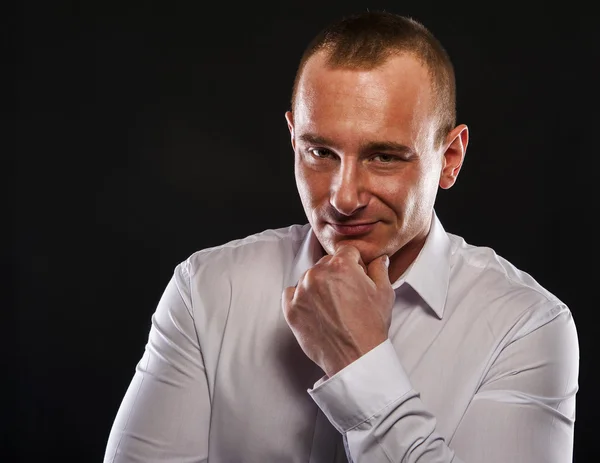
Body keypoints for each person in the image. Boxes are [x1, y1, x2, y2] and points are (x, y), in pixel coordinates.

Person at [103, 11, 579, 463]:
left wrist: (360, 363)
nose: (343, 197)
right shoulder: (206, 289)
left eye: (384, 157)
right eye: (321, 152)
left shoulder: (528, 326)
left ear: (450, 157)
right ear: (293, 138)